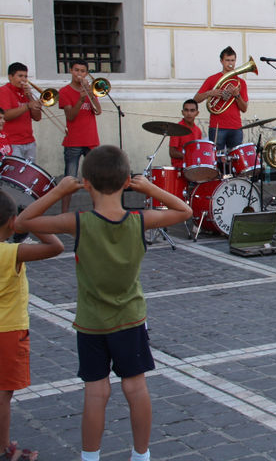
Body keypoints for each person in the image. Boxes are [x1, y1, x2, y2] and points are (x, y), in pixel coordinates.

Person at [15, 145, 193, 461]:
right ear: (126, 181)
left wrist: (59, 191)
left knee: (96, 392)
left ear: (86, 183)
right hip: (130, 320)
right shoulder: (139, 221)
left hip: (91, 323)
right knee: (136, 389)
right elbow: (184, 212)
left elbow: (23, 221)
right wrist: (149, 187)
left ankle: (90, 457)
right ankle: (141, 455)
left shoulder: (79, 222)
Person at [0, 190, 64, 461]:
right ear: (11, 222)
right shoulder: (12, 253)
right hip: (8, 331)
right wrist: (29, 222)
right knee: (3, 393)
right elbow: (56, 246)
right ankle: (3, 449)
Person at [59, 60, 102, 214]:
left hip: (91, 140)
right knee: (69, 179)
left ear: (86, 73)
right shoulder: (64, 91)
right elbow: (70, 116)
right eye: (76, 70)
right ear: (71, 71)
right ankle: (64, 213)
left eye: (83, 71)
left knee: (94, 178)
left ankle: (98, 211)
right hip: (73, 141)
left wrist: (90, 94)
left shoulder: (90, 90)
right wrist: (81, 99)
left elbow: (98, 111)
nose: (79, 74)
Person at [194, 46, 248, 151]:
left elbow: (244, 108)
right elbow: (196, 99)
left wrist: (237, 95)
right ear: (221, 61)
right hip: (217, 127)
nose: (230, 63)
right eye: (227, 60)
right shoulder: (212, 79)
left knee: (235, 161)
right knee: (216, 159)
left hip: (236, 127)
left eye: (232, 60)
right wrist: (210, 93)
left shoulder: (240, 82)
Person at [0, 63, 42, 161]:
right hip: (13, 142)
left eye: (25, 76)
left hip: (29, 141)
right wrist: (27, 106)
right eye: (20, 76)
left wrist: (30, 97)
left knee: (29, 174)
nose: (23, 79)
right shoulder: (4, 91)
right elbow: (6, 115)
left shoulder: (25, 93)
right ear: (10, 77)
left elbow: (37, 117)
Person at [168, 99, 204, 169]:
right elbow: (172, 152)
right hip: (180, 168)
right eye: (186, 110)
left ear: (197, 113)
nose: (189, 113)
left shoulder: (198, 130)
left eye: (192, 110)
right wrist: (189, 156)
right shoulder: (177, 128)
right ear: (182, 112)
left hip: (194, 167)